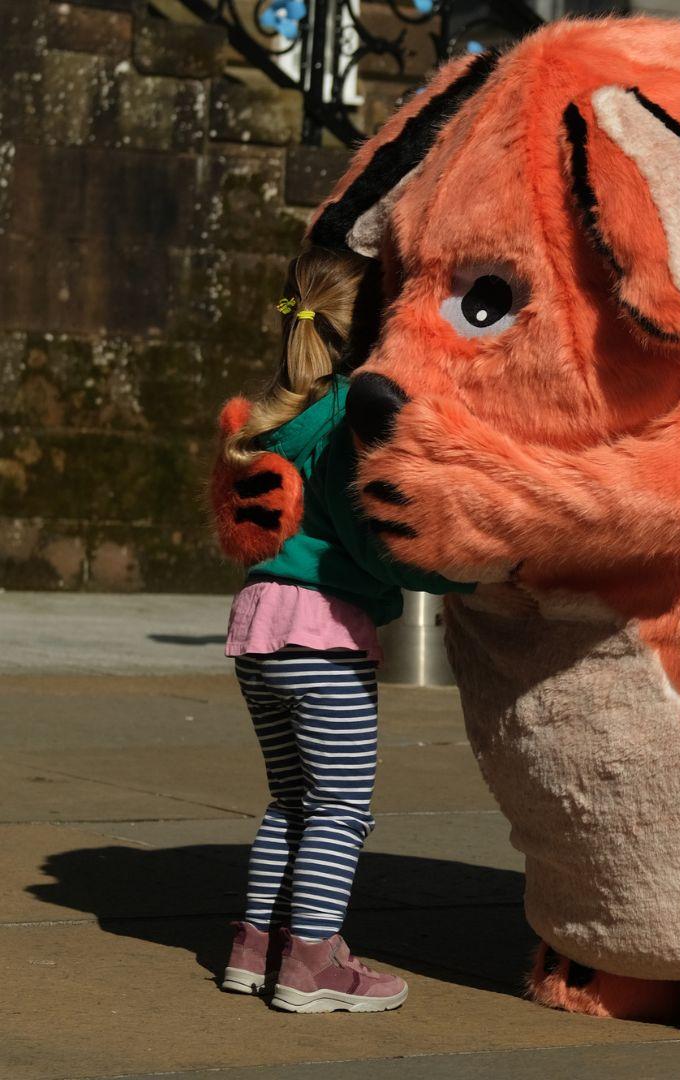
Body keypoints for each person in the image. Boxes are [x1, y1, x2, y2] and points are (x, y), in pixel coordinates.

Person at [214, 247, 472, 1013]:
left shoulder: (265, 420)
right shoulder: (341, 422)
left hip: (258, 634)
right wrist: (461, 577)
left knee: (289, 803)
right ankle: (314, 965)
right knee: (341, 811)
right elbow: (370, 544)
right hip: (323, 638)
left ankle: (254, 947)